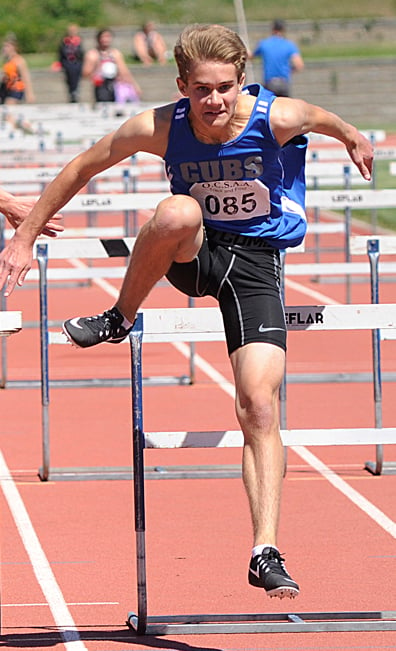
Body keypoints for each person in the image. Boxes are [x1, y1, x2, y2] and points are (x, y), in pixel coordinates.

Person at [0, 24, 373, 599]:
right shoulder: (159, 126)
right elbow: (81, 167)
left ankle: (264, 549)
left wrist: (352, 136)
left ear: (241, 82)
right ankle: (119, 316)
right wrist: (24, 237)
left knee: (258, 404)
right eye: (202, 89)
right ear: (182, 86)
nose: (215, 101)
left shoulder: (277, 117)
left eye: (225, 87)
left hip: (255, 266)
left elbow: (327, 119)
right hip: (194, 253)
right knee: (176, 211)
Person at [82, 28, 141, 104]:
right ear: (98, 39)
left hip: (115, 85)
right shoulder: (93, 54)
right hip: (101, 85)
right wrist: (97, 70)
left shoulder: (115, 53)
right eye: (103, 37)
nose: (106, 40)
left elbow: (124, 71)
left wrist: (134, 85)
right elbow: (85, 73)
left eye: (108, 37)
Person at [252, 19, 304, 97]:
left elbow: (251, 56)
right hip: (283, 83)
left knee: (270, 107)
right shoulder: (289, 45)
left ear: (272, 29)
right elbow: (299, 65)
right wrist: (288, 70)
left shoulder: (264, 44)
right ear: (283, 30)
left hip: (270, 83)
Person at [0, 33, 35, 104]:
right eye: (4, 46)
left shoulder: (19, 60)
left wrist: (29, 93)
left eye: (7, 46)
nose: (4, 48)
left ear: (14, 47)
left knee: (10, 109)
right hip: (6, 89)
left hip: (16, 89)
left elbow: (26, 77)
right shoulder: (7, 60)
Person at [58, 24, 84, 103]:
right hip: (67, 63)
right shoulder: (64, 41)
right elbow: (60, 53)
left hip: (77, 63)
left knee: (76, 76)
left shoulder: (79, 41)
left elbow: (82, 53)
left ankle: (75, 92)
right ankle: (71, 92)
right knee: (69, 76)